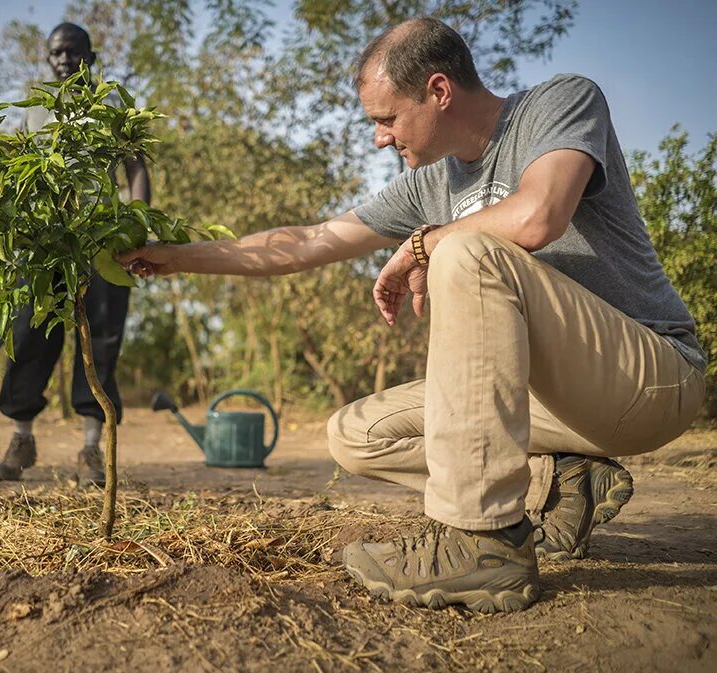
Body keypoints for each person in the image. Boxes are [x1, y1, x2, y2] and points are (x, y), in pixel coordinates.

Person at [118, 17, 707, 612]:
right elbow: (308, 241)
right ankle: (557, 482)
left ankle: (484, 544)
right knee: (355, 435)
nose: (379, 138)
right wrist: (175, 258)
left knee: (467, 254)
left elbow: (539, 215)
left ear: (439, 91)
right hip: (558, 407)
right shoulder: (429, 184)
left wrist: (429, 243)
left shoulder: (558, 103)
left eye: (385, 119)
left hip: (650, 375)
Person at [0, 22, 151, 484]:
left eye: (72, 52)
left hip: (100, 239)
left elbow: (135, 168)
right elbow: (13, 168)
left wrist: (136, 221)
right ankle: (22, 438)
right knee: (28, 333)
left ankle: (89, 450)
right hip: (43, 241)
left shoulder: (112, 103)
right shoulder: (34, 106)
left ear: (91, 57)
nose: (63, 61)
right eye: (55, 54)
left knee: (100, 338)